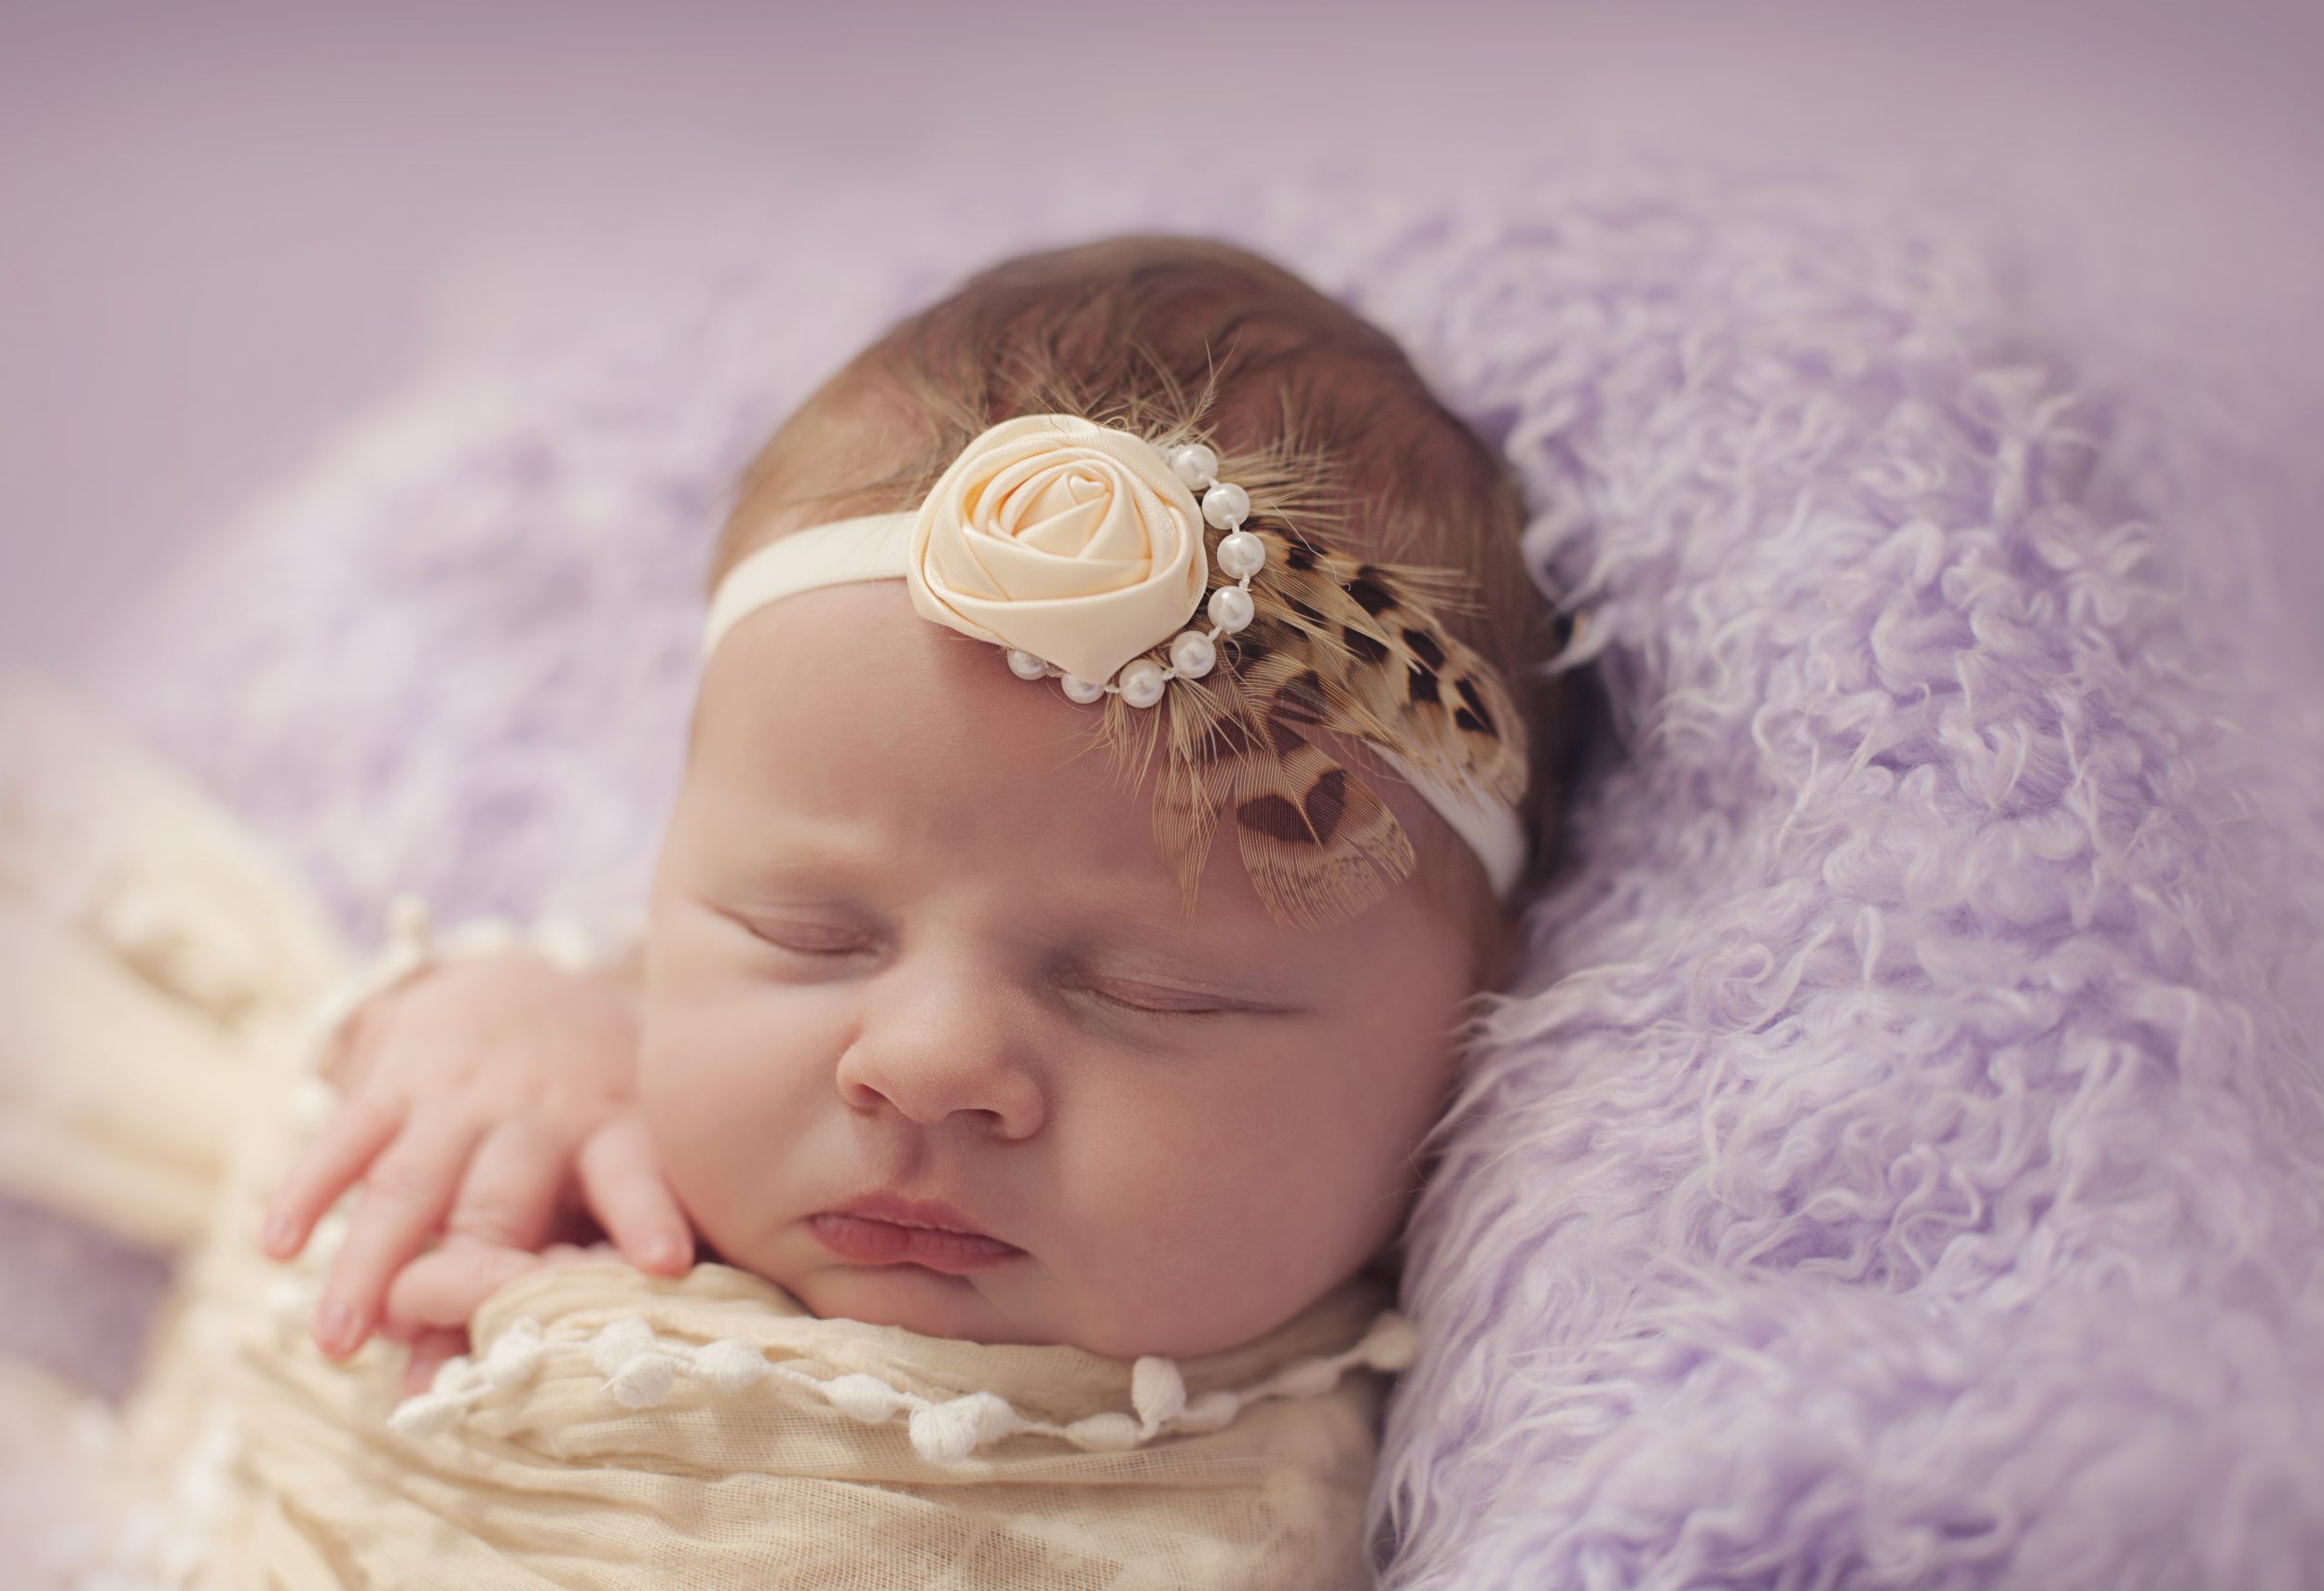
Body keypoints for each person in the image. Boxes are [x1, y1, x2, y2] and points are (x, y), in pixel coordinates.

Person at [211, 232, 1587, 1587]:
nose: (923, 1063)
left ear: (1471, 1030)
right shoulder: (606, 1125)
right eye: (809, 934)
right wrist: (489, 1031)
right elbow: (275, 1094)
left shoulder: (1370, 1473)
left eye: (1153, 992)